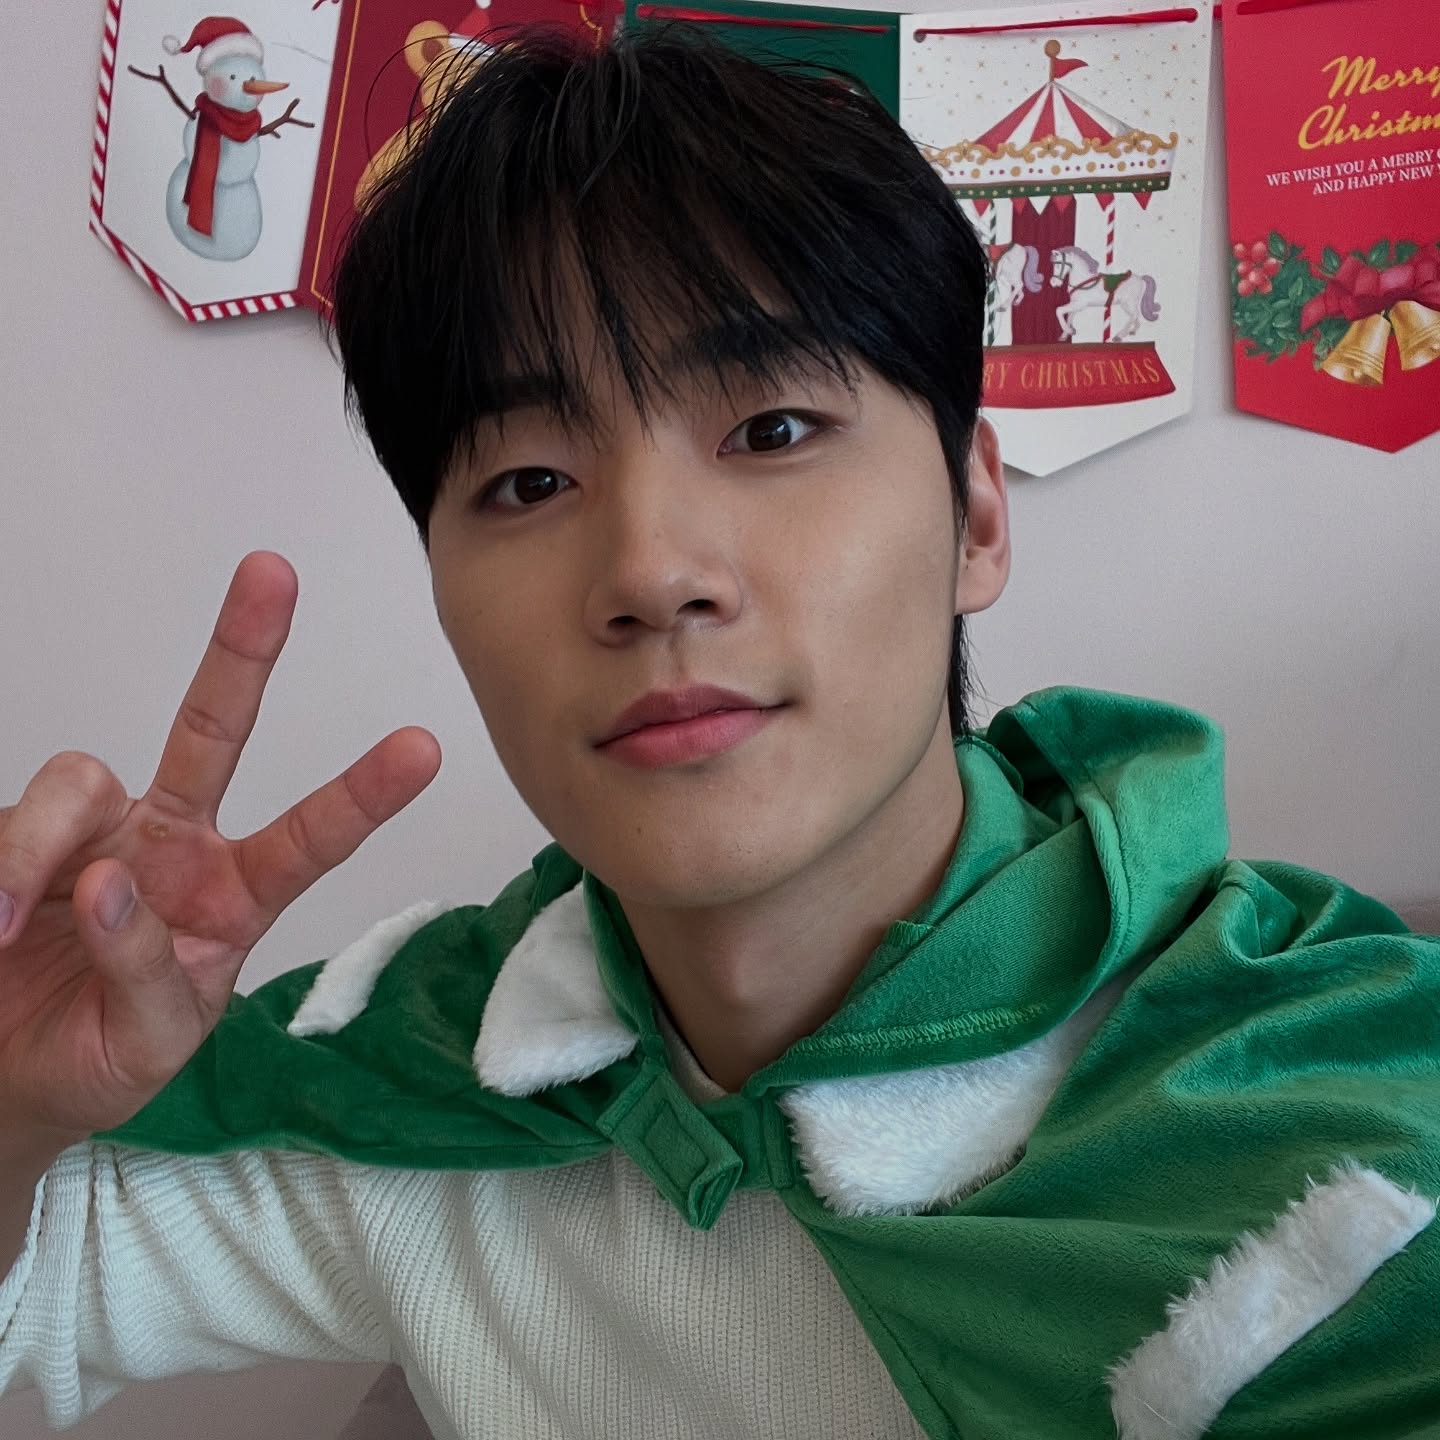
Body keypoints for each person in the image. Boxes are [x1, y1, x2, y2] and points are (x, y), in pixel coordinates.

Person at [2, 21, 1439, 1440]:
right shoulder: (421, 1055)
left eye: (771, 431)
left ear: (975, 516)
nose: (650, 572)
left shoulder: (1328, 1106)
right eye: (529, 482)